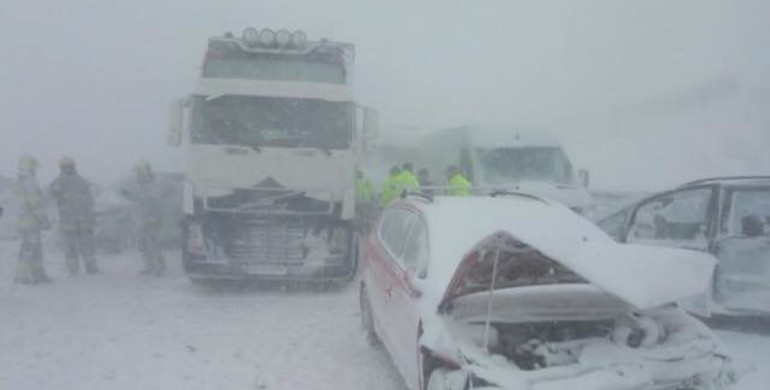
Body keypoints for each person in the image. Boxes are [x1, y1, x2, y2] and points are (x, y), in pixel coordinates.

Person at [50, 156, 99, 275]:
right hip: (83, 221)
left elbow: (52, 195)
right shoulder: (82, 181)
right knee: (87, 246)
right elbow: (90, 200)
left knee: (71, 247)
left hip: (69, 221)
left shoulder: (57, 182)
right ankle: (90, 268)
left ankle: (73, 270)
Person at [122, 162, 166, 275]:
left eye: (139, 174)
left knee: (153, 244)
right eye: (136, 174)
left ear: (145, 174)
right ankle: (149, 266)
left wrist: (153, 219)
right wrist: (128, 195)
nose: (136, 176)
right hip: (140, 222)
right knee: (143, 245)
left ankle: (160, 267)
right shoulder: (141, 188)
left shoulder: (153, 187)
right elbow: (138, 201)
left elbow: (155, 204)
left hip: (150, 221)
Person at [14, 155, 52, 284]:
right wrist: (45, 221)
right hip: (31, 222)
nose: (36, 169)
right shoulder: (31, 183)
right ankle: (22, 277)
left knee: (33, 248)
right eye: (34, 166)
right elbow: (35, 205)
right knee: (30, 249)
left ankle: (38, 275)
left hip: (23, 222)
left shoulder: (19, 183)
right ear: (30, 167)